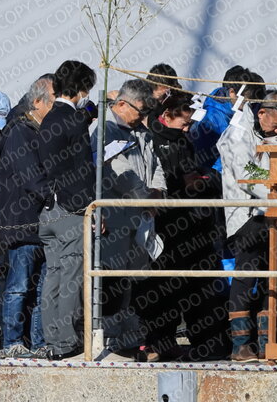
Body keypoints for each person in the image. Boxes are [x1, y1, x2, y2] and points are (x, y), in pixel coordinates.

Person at [137, 92, 227, 361]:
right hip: (167, 226)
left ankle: (202, 341)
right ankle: (161, 342)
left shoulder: (183, 140)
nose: (187, 129)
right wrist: (189, 181)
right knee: (165, 288)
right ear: (167, 116)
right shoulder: (153, 140)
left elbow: (191, 173)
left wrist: (203, 179)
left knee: (196, 287)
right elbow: (165, 179)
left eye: (190, 125)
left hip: (193, 225)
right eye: (184, 123)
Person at [217, 90, 277, 362]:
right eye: (276, 125)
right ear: (261, 113)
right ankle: (240, 344)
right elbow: (248, 176)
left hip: (274, 214)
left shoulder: (266, 134)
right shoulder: (238, 135)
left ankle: (267, 341)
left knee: (273, 279)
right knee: (245, 277)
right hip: (246, 216)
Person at [94, 78, 167, 353]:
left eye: (147, 112)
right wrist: (144, 197)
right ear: (122, 104)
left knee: (129, 278)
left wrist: (158, 192)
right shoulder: (105, 130)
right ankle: (108, 339)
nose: (142, 117)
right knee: (111, 277)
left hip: (138, 215)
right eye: (140, 111)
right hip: (114, 216)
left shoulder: (141, 132)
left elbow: (155, 164)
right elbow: (119, 170)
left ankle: (123, 336)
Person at [38, 60, 97, 359]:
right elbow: (83, 169)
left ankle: (52, 340)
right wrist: (91, 209)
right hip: (71, 208)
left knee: (53, 277)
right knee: (71, 279)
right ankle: (65, 342)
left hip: (49, 207)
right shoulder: (74, 120)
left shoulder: (49, 118)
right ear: (80, 88)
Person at [0, 77, 54, 357]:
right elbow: (32, 177)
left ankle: (38, 342)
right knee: (18, 286)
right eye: (54, 100)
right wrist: (56, 195)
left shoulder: (44, 132)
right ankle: (13, 342)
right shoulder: (20, 131)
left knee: (42, 288)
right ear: (38, 101)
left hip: (44, 224)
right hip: (23, 224)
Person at [189, 66, 266, 171]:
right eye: (246, 102)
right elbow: (212, 159)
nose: (249, 107)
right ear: (232, 93)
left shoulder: (236, 112)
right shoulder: (213, 118)